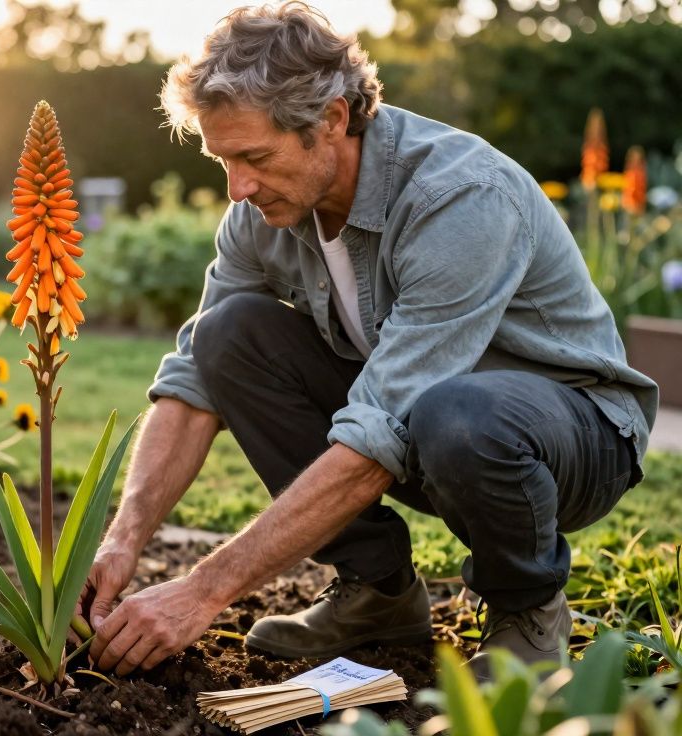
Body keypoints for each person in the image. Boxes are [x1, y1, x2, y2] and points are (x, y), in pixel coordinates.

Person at [80, 1, 657, 680]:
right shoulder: (260, 212)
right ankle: (378, 591)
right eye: (223, 160)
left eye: (255, 157)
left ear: (329, 120)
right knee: (226, 335)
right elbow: (190, 383)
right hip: (422, 425)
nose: (238, 188)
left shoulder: (460, 198)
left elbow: (383, 428)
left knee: (456, 413)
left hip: (574, 438)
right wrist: (121, 541)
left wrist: (202, 592)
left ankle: (527, 611)